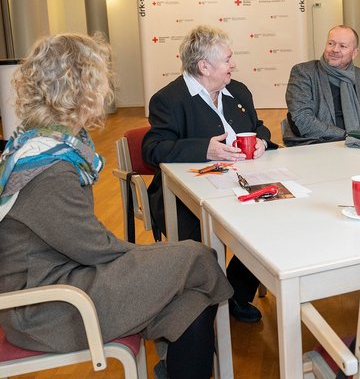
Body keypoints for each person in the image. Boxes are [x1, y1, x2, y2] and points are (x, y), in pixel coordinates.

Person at [0, 34, 232, 379]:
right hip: (48, 305)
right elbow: (91, 247)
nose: (107, 85)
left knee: (191, 299)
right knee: (197, 256)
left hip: (64, 279)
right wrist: (153, 261)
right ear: (82, 87)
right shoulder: (49, 166)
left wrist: (154, 264)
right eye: (100, 76)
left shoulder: (43, 142)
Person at [143, 25, 276, 323]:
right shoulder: (169, 99)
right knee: (202, 246)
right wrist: (205, 149)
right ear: (204, 66)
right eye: (228, 59)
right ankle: (202, 310)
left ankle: (235, 295)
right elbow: (153, 150)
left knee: (270, 222)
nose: (233, 65)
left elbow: (260, 127)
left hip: (241, 185)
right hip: (185, 197)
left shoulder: (238, 90)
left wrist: (261, 142)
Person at [284, 24, 360, 146]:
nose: (335, 50)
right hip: (316, 146)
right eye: (331, 43)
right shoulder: (304, 72)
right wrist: (348, 136)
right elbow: (302, 119)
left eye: (343, 46)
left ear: (354, 53)